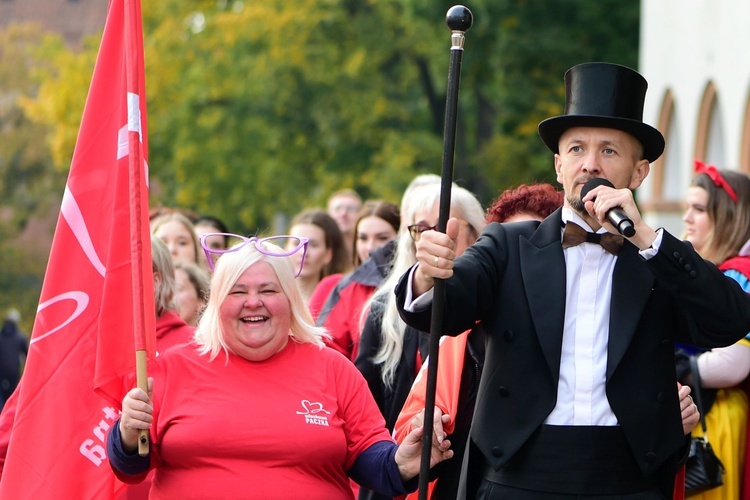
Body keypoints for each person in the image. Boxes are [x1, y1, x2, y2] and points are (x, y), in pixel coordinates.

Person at [395, 62, 750, 498]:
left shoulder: (656, 257)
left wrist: (645, 238)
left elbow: (730, 319)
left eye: (609, 151)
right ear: (559, 165)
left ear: (639, 173)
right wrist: (428, 277)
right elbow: (448, 309)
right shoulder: (508, 245)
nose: (590, 165)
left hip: (628, 474)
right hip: (519, 469)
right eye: (577, 149)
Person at [107, 234, 453, 498]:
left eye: (268, 290)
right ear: (216, 304)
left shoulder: (333, 368)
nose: (253, 302)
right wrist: (125, 433)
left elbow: (373, 463)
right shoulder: (171, 368)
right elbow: (131, 467)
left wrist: (402, 462)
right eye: (238, 292)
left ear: (290, 301)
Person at [676, 160, 750, 500]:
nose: (687, 218)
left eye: (699, 209)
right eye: (687, 207)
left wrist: (675, 367)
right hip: (693, 414)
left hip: (716, 423)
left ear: (729, 218)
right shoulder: (713, 272)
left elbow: (734, 364)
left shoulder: (740, 275)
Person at [311, 200, 400, 360]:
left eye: (382, 238)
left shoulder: (416, 283)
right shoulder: (347, 288)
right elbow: (329, 349)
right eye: (363, 238)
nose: (371, 247)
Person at [288, 208, 351, 312]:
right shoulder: (270, 296)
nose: (303, 252)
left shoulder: (340, 302)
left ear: (328, 254)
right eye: (296, 243)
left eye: (313, 245)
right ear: (286, 248)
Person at [0, 310, 27, 411]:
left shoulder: (0, 337)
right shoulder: (20, 338)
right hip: (14, 373)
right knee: (12, 400)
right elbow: (27, 356)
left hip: (1, 374)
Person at [328, 188, 363, 262]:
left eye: (350, 209)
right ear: (329, 213)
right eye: (337, 209)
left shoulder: (367, 250)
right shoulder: (321, 251)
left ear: (361, 214)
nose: (343, 214)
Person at [173, 262, 210, 327]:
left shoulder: (211, 336)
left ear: (201, 300)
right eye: (168, 289)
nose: (171, 295)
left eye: (178, 289)